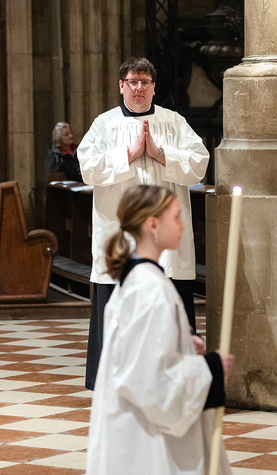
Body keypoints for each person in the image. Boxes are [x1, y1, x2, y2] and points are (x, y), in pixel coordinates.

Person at [85, 185, 233, 475]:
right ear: (152, 225)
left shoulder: (140, 280)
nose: (183, 224)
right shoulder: (150, 288)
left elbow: (143, 353)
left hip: (140, 435)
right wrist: (211, 368)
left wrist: (184, 347)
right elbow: (147, 380)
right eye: (175, 217)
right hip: (151, 440)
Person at [78, 56, 209, 390]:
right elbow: (88, 168)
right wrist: (130, 154)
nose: (138, 88)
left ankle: (173, 380)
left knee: (171, 297)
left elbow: (200, 163)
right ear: (121, 86)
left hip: (165, 239)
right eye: (132, 82)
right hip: (119, 233)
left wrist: (160, 153)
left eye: (145, 82)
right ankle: (113, 380)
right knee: (117, 298)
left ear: (154, 87)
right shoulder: (104, 124)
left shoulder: (173, 122)